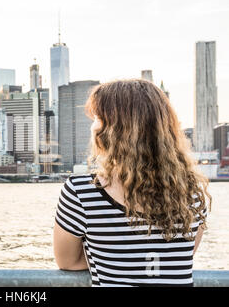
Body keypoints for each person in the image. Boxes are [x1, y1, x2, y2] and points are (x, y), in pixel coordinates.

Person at [53, 79, 211, 287]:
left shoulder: (82, 193)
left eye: (98, 118)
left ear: (113, 130)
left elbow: (69, 262)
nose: (93, 126)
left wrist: (112, 257)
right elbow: (179, 257)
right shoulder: (192, 193)